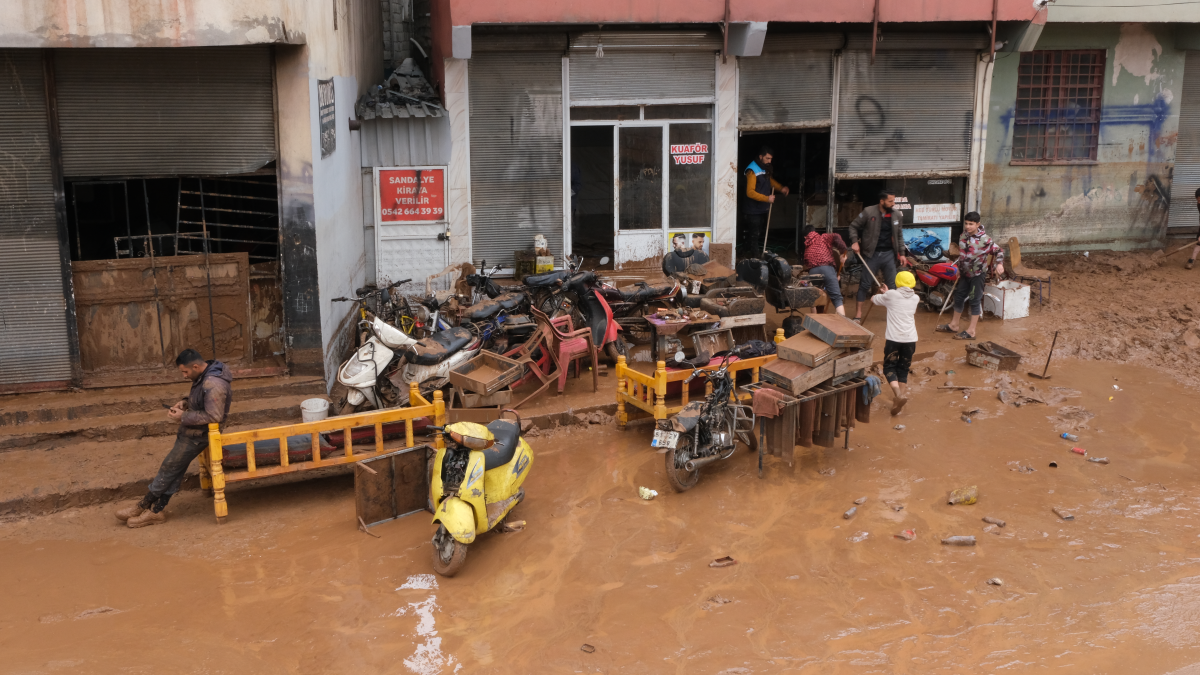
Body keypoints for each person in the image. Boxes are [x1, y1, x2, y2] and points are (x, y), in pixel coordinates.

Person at [115, 349, 233, 528]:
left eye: (185, 372)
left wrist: (182, 417)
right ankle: (154, 510)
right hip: (194, 432)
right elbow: (203, 399)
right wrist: (185, 402)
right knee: (174, 469)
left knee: (169, 467)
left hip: (199, 435)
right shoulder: (205, 375)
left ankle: (143, 507)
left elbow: (214, 415)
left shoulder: (213, 383)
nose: (184, 376)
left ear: (195, 366)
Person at [937, 211, 1005, 340]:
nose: (968, 226)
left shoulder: (985, 240)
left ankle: (971, 331)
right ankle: (954, 325)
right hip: (963, 273)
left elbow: (999, 250)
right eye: (966, 223)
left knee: (974, 300)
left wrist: (999, 264)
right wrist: (958, 268)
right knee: (958, 297)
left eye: (971, 224)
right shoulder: (963, 236)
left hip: (977, 275)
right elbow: (962, 255)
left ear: (978, 224)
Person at [848, 190, 909, 323]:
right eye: (890, 201)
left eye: (894, 201)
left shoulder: (897, 215)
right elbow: (853, 226)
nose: (893, 204)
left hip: (889, 254)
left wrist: (902, 254)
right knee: (864, 284)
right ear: (882, 201)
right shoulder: (868, 212)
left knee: (892, 285)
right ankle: (858, 315)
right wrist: (854, 242)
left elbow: (899, 235)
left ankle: (894, 314)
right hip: (871, 254)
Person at [871, 271, 920, 415]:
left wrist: (882, 293)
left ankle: (898, 395)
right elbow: (897, 299)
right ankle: (899, 399)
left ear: (897, 282)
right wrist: (888, 293)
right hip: (910, 339)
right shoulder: (916, 298)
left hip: (894, 339)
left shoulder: (891, 295)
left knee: (889, 368)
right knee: (903, 369)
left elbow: (874, 299)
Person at [741, 146, 789, 256]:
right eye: (767, 158)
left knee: (756, 234)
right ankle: (756, 259)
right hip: (752, 210)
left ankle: (744, 252)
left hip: (761, 208)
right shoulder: (752, 170)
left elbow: (769, 181)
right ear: (760, 156)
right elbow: (750, 192)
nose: (769, 161)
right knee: (754, 235)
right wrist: (767, 198)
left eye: (771, 159)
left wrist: (780, 188)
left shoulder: (763, 167)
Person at [801, 224, 848, 316]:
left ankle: (816, 323)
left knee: (816, 298)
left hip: (813, 272)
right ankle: (842, 324)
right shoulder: (824, 237)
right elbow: (837, 237)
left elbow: (807, 263)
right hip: (827, 269)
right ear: (814, 231)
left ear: (805, 236)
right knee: (837, 298)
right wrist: (843, 252)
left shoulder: (807, 247)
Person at [1187, 187, 1200, 270]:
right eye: (1198, 200)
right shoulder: (1199, 204)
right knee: (1198, 242)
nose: (1199, 202)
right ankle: (1192, 259)